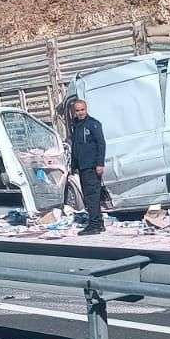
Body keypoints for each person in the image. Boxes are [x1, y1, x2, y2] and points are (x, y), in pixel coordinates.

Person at [66, 96, 107, 235]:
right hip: (82, 166)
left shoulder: (93, 124)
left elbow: (101, 144)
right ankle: (99, 223)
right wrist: (73, 165)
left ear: (86, 109)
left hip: (92, 166)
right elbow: (76, 147)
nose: (80, 113)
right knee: (90, 196)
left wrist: (100, 163)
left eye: (82, 110)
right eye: (77, 110)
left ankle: (94, 225)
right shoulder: (76, 125)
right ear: (74, 111)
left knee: (91, 196)